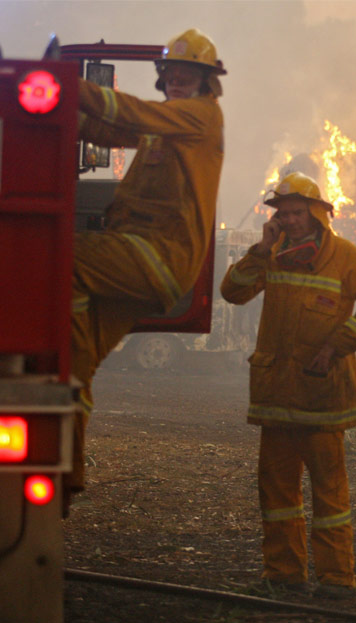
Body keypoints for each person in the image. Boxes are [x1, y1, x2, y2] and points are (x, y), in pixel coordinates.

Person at [68, 28, 226, 503]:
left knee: (64, 255)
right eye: (172, 72)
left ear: (206, 82)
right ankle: (66, 480)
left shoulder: (200, 117)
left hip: (157, 256)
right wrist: (58, 113)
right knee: (73, 370)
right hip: (139, 258)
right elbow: (109, 129)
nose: (177, 79)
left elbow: (130, 111)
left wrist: (64, 82)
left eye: (188, 73)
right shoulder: (165, 128)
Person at [220, 172, 356, 597]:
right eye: (284, 214)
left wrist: (339, 344)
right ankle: (284, 573)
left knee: (329, 494)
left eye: (298, 212)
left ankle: (337, 578)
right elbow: (232, 293)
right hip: (277, 398)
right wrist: (260, 251)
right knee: (276, 491)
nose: (291, 220)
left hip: (322, 399)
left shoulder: (345, 258)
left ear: (318, 214)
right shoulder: (273, 254)